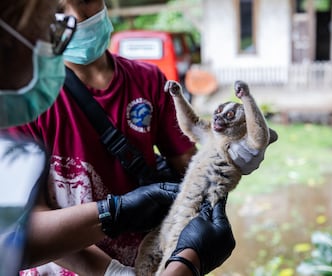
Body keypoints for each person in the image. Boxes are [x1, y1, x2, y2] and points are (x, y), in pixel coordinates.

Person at [1, 0, 238, 275]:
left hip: (141, 256)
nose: (75, 19)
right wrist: (185, 262)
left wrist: (225, 164)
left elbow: (191, 170)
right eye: (57, 11)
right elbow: (24, 231)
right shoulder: (30, 101)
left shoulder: (147, 79)